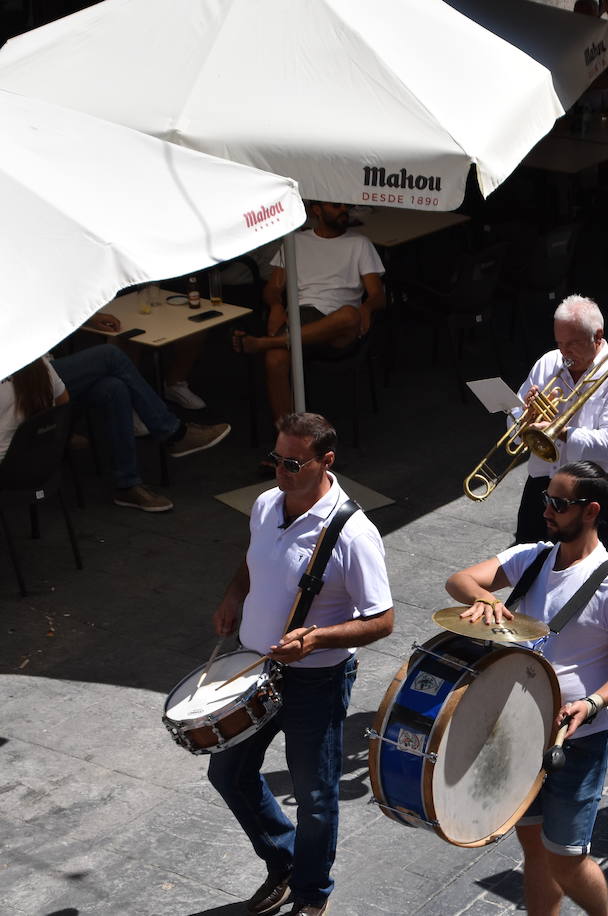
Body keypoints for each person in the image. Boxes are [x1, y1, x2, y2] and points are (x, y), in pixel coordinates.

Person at [209, 412, 394, 916]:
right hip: (255, 673)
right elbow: (253, 559)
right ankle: (287, 860)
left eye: (293, 462)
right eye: (275, 458)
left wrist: (317, 639)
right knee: (227, 773)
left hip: (318, 682)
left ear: (325, 461)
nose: (280, 470)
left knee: (314, 796)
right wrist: (233, 595)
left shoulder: (355, 534)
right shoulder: (268, 503)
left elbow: (382, 620)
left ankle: (312, 894)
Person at [445, 460, 608, 916]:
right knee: (534, 846)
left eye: (558, 503)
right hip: (518, 731)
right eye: (545, 500)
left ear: (591, 510)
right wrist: (486, 599)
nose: (547, 511)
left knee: (566, 857)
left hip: (576, 740)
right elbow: (459, 579)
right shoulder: (532, 556)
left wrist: (592, 703)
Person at [235, 201, 386, 438]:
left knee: (349, 314)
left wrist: (366, 307)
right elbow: (272, 288)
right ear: (316, 210)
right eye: (336, 207)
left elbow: (377, 294)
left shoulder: (359, 243)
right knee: (275, 359)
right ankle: (287, 439)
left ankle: (264, 343)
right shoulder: (295, 241)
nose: (344, 211)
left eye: (345, 207)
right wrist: (275, 305)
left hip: (339, 326)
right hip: (301, 316)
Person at [513, 296, 608, 552]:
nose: (564, 352)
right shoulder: (548, 362)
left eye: (572, 344)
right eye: (560, 343)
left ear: (597, 336)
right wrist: (526, 417)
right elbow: (515, 425)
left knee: (584, 576)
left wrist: (559, 431)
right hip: (543, 481)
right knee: (526, 563)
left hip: (590, 490)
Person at [40, 340, 230, 512]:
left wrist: (92, 319)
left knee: (114, 388)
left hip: (47, 369)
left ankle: (127, 485)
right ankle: (173, 433)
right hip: (29, 378)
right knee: (110, 355)